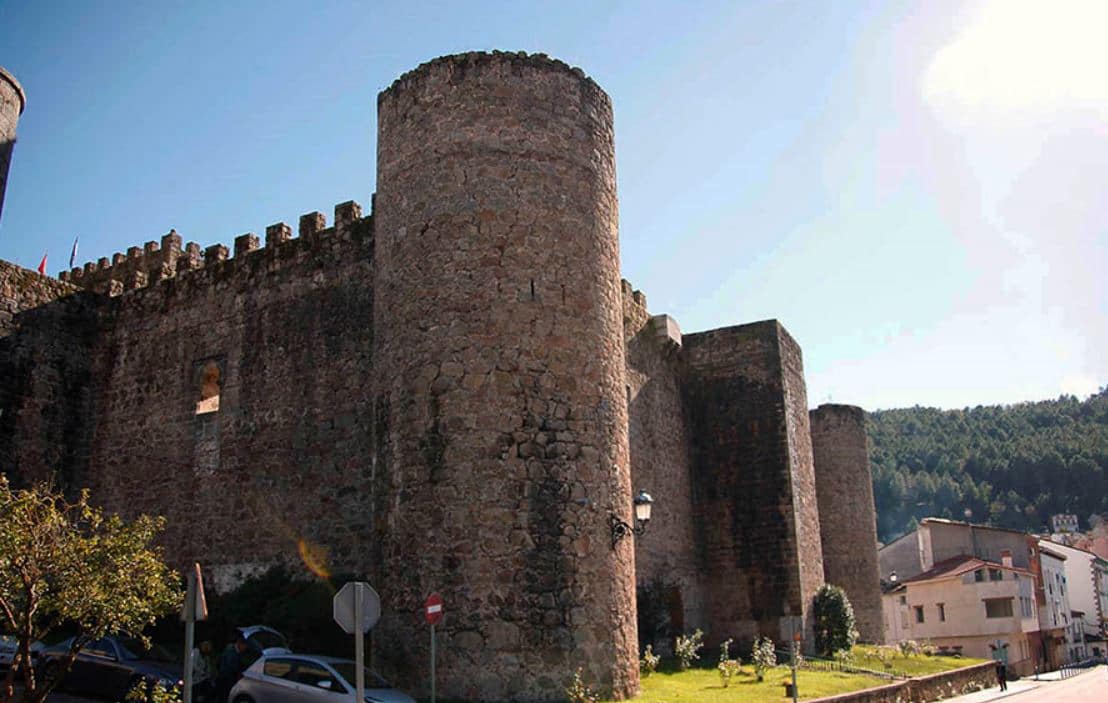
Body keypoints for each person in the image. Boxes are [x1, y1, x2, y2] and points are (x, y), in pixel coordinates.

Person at [215, 635, 249, 703]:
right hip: (225, 678)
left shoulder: (236, 651)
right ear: (240, 644)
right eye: (244, 646)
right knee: (225, 697)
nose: (245, 648)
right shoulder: (230, 651)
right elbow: (230, 665)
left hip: (227, 677)